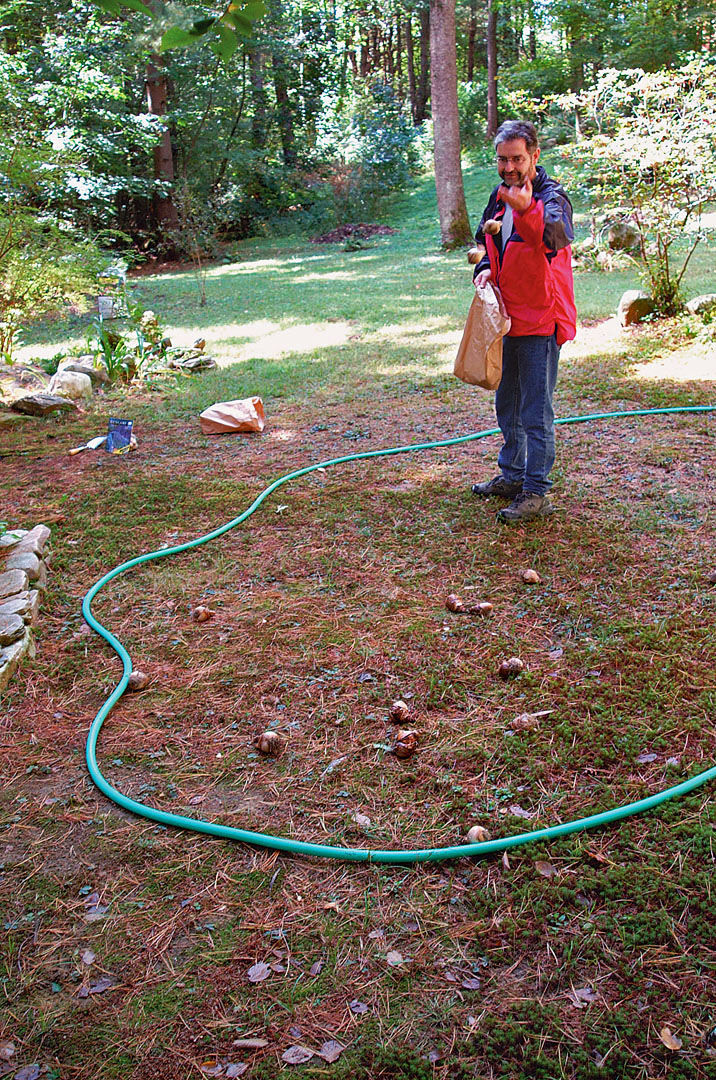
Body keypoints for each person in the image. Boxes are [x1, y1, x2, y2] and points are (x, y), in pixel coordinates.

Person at [470, 120, 577, 523]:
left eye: (517, 158)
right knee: (507, 404)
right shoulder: (499, 198)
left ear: (534, 156)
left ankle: (536, 493)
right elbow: (486, 241)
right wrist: (482, 266)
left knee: (535, 411)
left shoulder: (552, 198)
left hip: (541, 320)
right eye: (502, 159)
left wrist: (527, 209)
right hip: (507, 318)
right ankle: (512, 476)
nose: (509, 167)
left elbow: (554, 238)